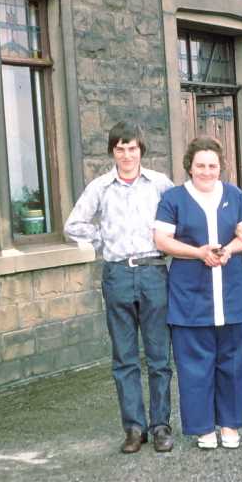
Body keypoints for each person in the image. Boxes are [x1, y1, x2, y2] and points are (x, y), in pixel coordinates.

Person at [64, 121, 174, 454]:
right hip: (117, 274)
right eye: (120, 149)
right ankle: (134, 428)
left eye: (132, 148)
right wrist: (103, 239)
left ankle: (160, 425)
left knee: (158, 356)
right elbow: (73, 224)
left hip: (153, 271)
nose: (127, 155)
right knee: (125, 357)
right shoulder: (100, 187)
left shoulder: (160, 184)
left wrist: (168, 242)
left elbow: (180, 217)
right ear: (113, 151)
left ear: (141, 150)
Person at [154, 136, 242, 450]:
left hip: (231, 294)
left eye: (212, 165)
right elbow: (162, 241)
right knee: (194, 366)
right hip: (190, 295)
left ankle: (230, 424)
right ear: (190, 166)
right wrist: (198, 253)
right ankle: (203, 427)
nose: (207, 171)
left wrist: (229, 250)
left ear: (220, 166)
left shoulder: (235, 195)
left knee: (233, 363)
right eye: (201, 165)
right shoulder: (173, 198)